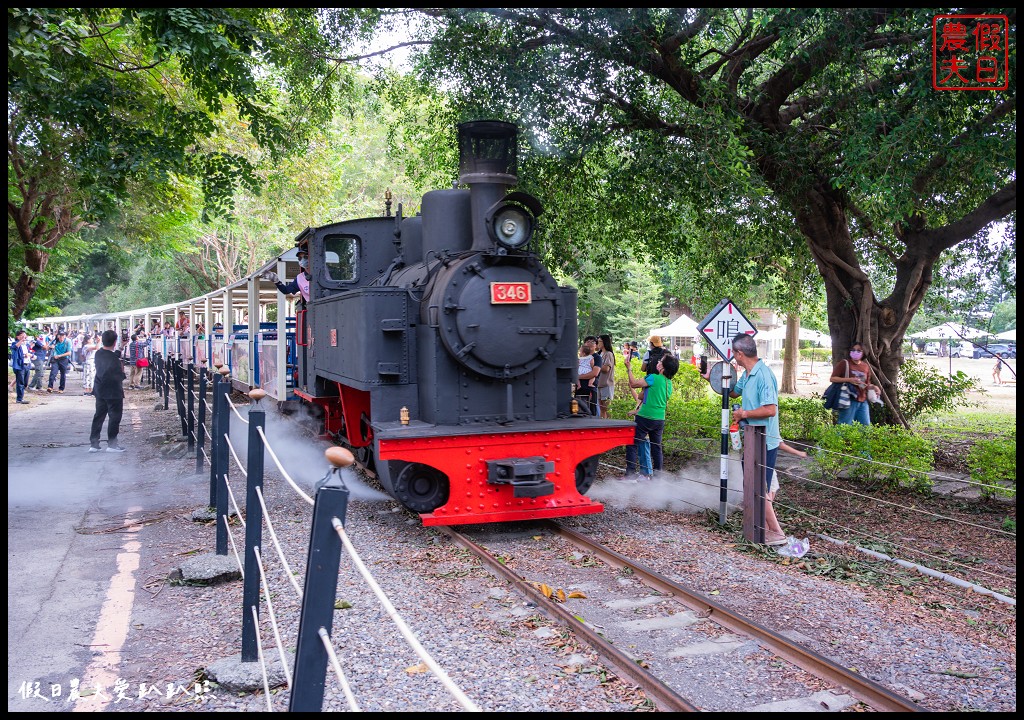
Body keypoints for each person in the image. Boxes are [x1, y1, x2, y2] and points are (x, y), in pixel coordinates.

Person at [728, 333, 787, 546]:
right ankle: (764, 529)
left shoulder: (763, 375)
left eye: (734, 354)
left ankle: (777, 533)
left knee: (759, 489)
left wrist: (744, 414)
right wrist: (713, 379)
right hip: (753, 439)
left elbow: (770, 410)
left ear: (740, 354)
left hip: (766, 441)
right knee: (756, 487)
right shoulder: (748, 373)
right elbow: (734, 393)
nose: (734, 357)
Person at [623, 351, 679, 479]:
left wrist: (629, 369)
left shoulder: (653, 377)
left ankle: (630, 475)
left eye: (660, 362)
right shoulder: (668, 384)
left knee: (632, 444)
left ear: (662, 368)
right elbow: (647, 397)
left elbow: (633, 384)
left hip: (645, 418)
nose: (658, 363)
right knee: (656, 448)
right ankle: (658, 478)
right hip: (659, 420)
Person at [90, 330, 127, 453]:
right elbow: (118, 375)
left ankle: (94, 444)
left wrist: (121, 348)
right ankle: (112, 444)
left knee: (99, 416)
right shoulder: (115, 359)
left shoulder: (98, 354)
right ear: (115, 341)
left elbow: (109, 355)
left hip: (100, 389)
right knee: (114, 417)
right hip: (113, 391)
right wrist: (122, 371)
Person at [830, 342, 876, 425]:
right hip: (848, 399)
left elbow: (866, 384)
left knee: (865, 427)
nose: (855, 352)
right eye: (853, 350)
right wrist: (849, 380)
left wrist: (874, 388)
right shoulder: (845, 363)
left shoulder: (865, 366)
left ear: (864, 352)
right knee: (844, 425)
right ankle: (839, 438)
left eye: (859, 350)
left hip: (862, 400)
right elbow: (833, 378)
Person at [575, 337, 601, 415]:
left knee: (591, 411)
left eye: (592, 342)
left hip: (590, 389)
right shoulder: (580, 358)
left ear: (596, 345)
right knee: (578, 410)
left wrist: (578, 376)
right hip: (579, 388)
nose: (589, 343)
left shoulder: (597, 358)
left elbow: (594, 373)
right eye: (587, 341)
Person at [596, 334, 617, 419]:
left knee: (606, 408)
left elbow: (606, 368)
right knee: (601, 407)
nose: (598, 343)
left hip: (606, 384)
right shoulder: (600, 353)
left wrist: (596, 366)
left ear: (604, 342)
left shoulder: (608, 354)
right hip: (599, 383)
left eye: (599, 341)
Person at [11, 330, 32, 404]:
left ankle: (21, 397)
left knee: (25, 383)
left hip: (27, 364)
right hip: (20, 366)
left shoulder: (26, 345)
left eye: (25, 335)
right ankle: (19, 399)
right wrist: (21, 340)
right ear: (17, 336)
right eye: (22, 335)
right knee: (20, 383)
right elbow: (15, 347)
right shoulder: (15, 343)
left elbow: (29, 353)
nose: (24, 337)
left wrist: (29, 355)